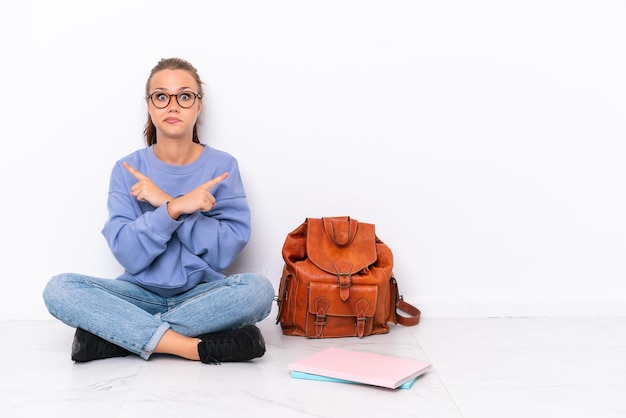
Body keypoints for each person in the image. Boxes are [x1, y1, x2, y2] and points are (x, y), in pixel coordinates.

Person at [43, 57, 275, 364]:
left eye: (184, 96)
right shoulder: (128, 169)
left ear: (198, 106)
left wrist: (167, 202)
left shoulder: (223, 166)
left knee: (258, 290)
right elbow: (128, 254)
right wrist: (174, 209)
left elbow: (223, 251)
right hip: (137, 297)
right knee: (59, 289)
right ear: (150, 106)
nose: (173, 106)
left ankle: (118, 339)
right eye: (161, 96)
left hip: (201, 296)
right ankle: (190, 346)